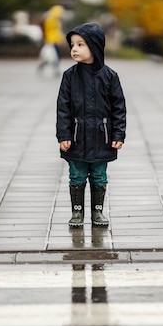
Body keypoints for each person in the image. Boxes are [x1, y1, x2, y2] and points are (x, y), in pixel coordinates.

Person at [56, 23, 127, 227]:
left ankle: (98, 212)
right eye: (72, 45)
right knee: (76, 175)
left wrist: (118, 135)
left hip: (101, 138)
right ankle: (77, 212)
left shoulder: (110, 76)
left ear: (94, 47)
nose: (74, 49)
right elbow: (63, 108)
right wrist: (64, 135)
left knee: (99, 175)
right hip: (76, 138)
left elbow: (118, 108)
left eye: (80, 44)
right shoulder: (69, 76)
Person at [38, 4, 64, 75]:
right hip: (50, 40)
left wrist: (61, 39)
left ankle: (51, 66)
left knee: (55, 55)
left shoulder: (57, 20)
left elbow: (58, 31)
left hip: (56, 40)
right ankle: (49, 66)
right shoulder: (49, 20)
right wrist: (46, 39)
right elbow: (45, 30)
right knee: (53, 55)